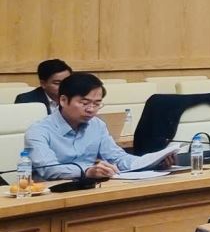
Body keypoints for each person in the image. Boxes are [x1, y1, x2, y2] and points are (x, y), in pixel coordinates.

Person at [23, 72, 174, 179]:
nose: (91, 109)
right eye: (84, 103)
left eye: (97, 104)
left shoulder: (97, 125)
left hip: (90, 189)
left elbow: (117, 158)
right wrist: (87, 171)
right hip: (52, 194)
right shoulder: (38, 131)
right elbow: (48, 169)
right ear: (63, 100)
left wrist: (151, 162)